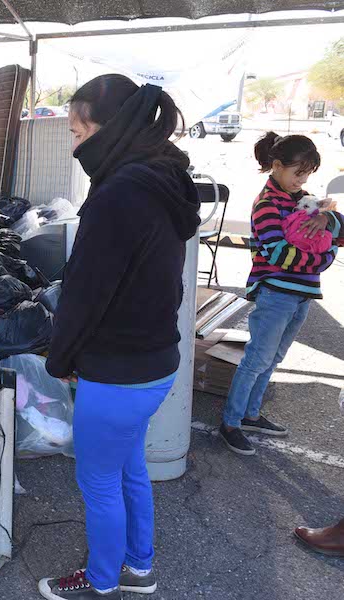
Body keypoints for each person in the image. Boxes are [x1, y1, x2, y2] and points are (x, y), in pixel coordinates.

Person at [41, 75, 201, 599]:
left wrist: (59, 357)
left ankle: (104, 581)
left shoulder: (119, 195)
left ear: (109, 129)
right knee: (130, 467)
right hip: (155, 364)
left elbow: (85, 294)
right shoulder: (162, 177)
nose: (75, 144)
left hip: (117, 373)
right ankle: (140, 566)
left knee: (100, 484)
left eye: (78, 132)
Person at [219, 133, 343, 456]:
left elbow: (340, 229)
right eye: (297, 173)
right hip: (276, 293)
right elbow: (277, 253)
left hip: (301, 295)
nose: (301, 181)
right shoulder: (267, 204)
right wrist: (323, 258)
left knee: (273, 358)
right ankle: (230, 423)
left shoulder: (304, 199)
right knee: (256, 358)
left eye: (306, 174)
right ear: (276, 166)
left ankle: (251, 414)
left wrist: (328, 218)